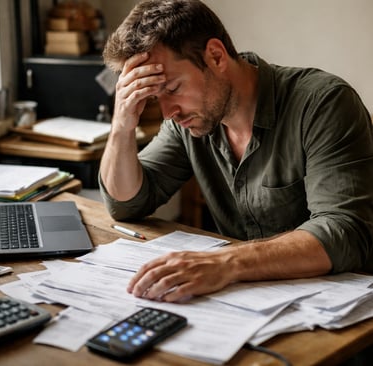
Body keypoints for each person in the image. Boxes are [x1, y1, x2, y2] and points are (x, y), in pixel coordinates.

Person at [99, 0, 373, 303]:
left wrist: (227, 262)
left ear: (215, 56)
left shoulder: (322, 103)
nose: (167, 112)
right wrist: (122, 124)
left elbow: (345, 230)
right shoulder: (188, 121)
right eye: (155, 97)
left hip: (342, 313)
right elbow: (126, 203)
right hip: (248, 303)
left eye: (173, 88)